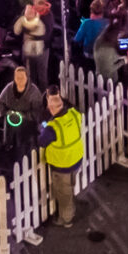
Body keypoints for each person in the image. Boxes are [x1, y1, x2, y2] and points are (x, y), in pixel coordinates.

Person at [43, 90, 85, 227]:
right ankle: (69, 208)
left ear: (52, 108)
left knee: (64, 194)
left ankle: (66, 219)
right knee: (70, 186)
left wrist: (42, 127)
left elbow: (41, 142)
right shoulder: (74, 114)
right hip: (76, 159)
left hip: (62, 166)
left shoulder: (52, 128)